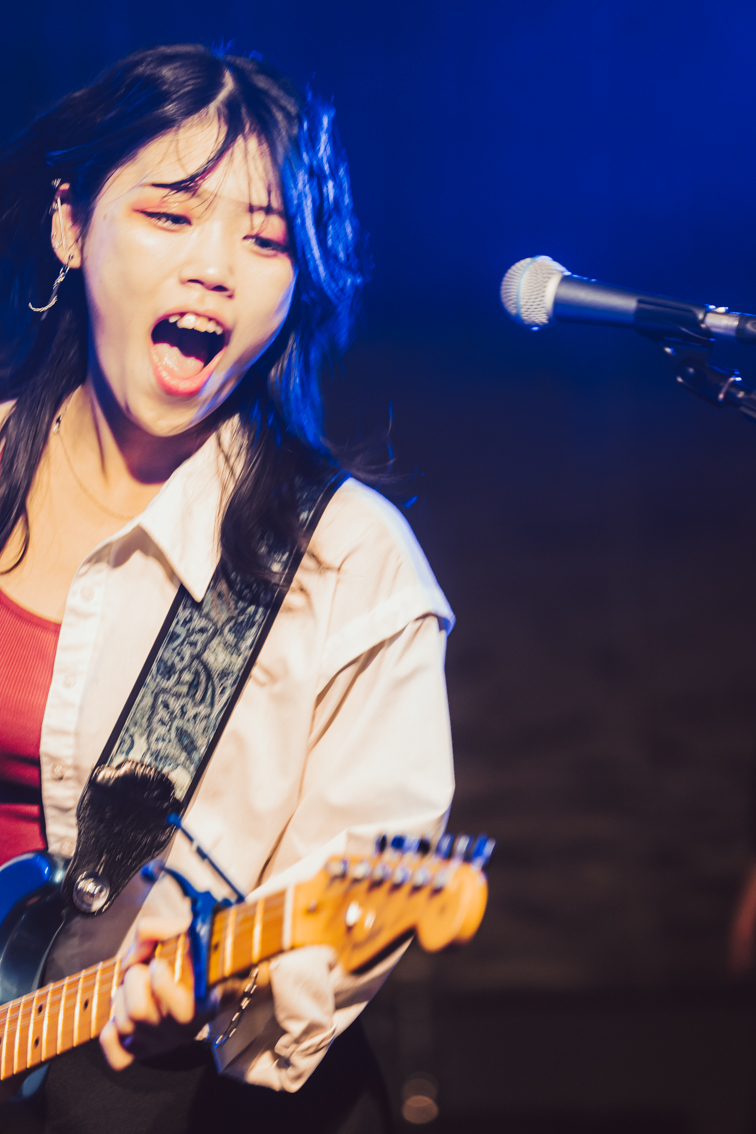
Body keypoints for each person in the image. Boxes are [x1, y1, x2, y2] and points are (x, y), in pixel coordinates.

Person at [0, 44, 455, 1133]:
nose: (215, 269)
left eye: (266, 240)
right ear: (70, 222)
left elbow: (357, 887)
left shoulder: (349, 561)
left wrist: (214, 995)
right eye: (171, 216)